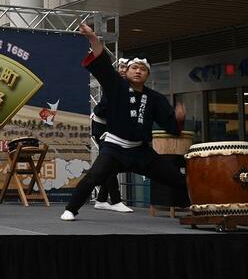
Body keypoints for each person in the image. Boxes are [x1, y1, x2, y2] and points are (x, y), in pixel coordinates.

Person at [61, 24, 187, 221]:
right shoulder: (116, 86)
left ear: (147, 75)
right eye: (134, 68)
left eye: (143, 69)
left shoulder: (154, 98)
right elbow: (102, 63)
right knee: (94, 177)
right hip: (115, 147)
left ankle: (194, 206)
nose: (138, 72)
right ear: (126, 72)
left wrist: (178, 119)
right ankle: (71, 209)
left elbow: (168, 123)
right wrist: (93, 38)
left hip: (141, 151)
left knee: (176, 178)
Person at [92, 57, 133, 213]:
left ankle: (102, 199)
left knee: (112, 163)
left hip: (114, 127)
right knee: (109, 162)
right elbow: (102, 109)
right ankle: (115, 200)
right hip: (103, 126)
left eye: (126, 67)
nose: (123, 70)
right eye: (121, 66)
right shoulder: (114, 83)